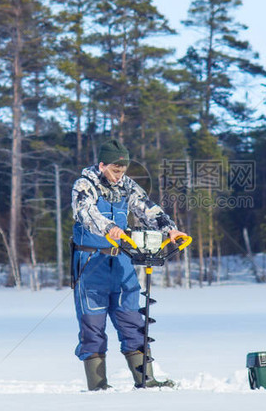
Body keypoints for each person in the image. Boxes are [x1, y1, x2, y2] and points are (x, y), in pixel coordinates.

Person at [71, 139, 188, 390]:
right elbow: (85, 212)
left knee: (132, 319)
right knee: (92, 323)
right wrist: (108, 227)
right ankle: (98, 385)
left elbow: (148, 208)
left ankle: (146, 380)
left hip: (123, 260)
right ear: (102, 165)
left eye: (123, 170)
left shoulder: (127, 186)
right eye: (115, 170)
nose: (119, 175)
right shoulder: (84, 185)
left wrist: (170, 229)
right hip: (91, 262)